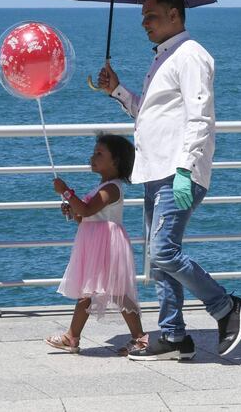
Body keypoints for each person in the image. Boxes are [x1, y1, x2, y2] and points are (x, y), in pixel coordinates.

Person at [97, 0, 241, 361]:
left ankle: (226, 306)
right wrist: (117, 90)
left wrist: (185, 169)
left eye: (151, 15)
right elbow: (149, 116)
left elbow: (201, 116)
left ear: (175, 15)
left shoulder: (191, 56)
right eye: (143, 17)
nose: (145, 22)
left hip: (177, 171)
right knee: (159, 257)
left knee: (163, 250)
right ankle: (173, 335)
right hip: (155, 170)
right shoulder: (163, 59)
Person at [45, 133, 147, 356]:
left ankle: (139, 337)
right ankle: (72, 336)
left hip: (107, 243)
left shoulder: (111, 188)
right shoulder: (102, 186)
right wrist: (72, 210)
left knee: (117, 292)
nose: (92, 157)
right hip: (95, 242)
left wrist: (65, 191)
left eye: (99, 154)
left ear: (116, 161)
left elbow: (87, 209)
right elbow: (83, 216)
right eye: (94, 152)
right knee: (89, 291)